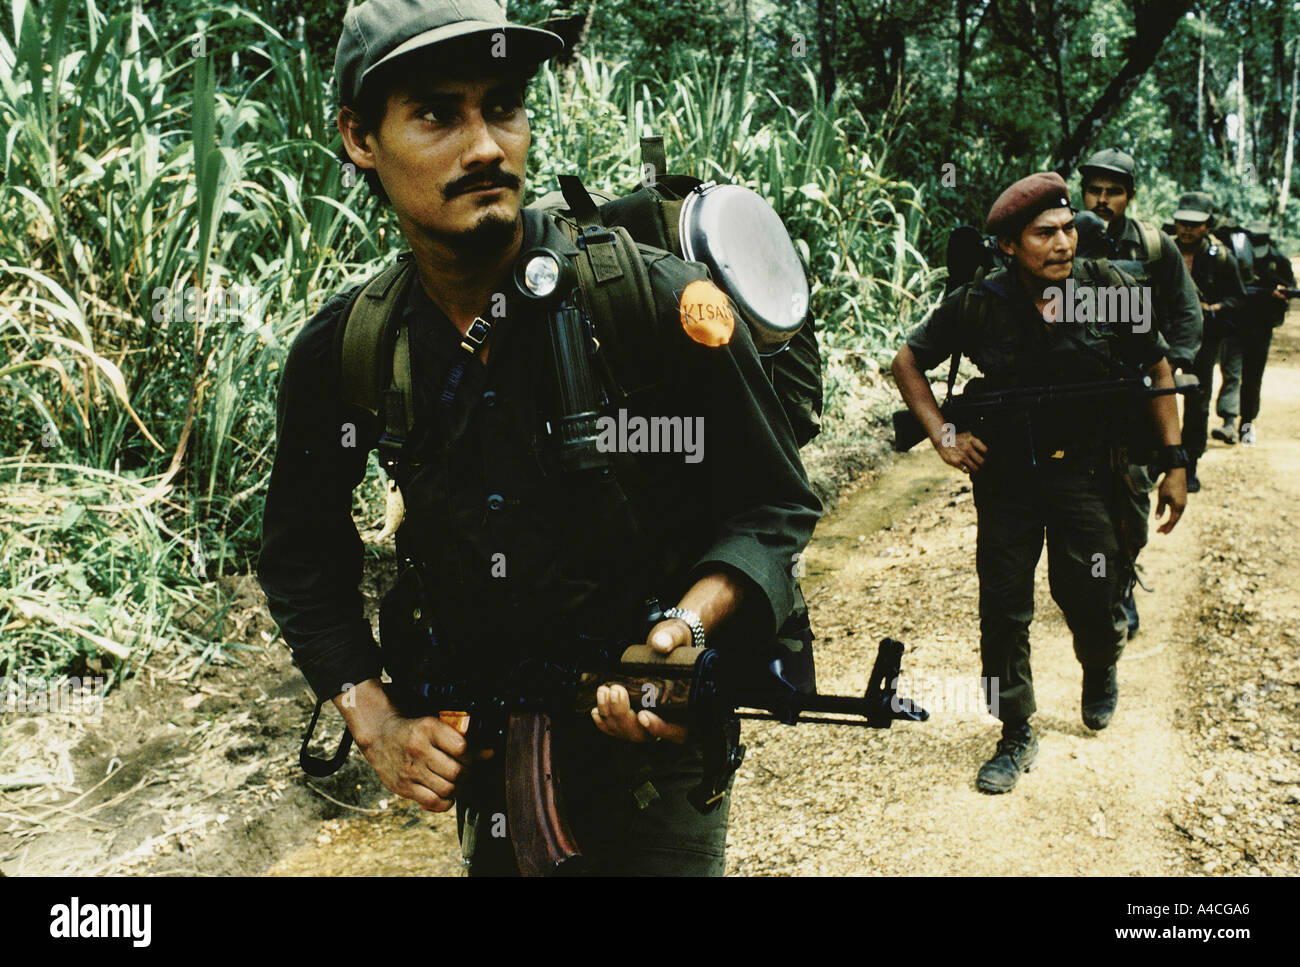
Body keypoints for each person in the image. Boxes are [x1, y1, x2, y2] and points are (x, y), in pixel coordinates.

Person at [256, 0, 821, 875]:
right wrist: (371, 718)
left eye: (504, 106)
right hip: (487, 749)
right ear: (360, 138)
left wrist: (683, 626)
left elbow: (773, 502)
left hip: (654, 747)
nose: (485, 145)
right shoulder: (348, 348)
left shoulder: (651, 301)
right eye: (439, 113)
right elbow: (301, 555)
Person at [891, 172, 1187, 795]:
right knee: (1003, 606)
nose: (1064, 244)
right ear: (1008, 246)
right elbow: (907, 362)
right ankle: (1015, 730)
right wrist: (945, 436)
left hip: (1089, 472)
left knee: (1094, 591)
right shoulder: (979, 302)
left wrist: (1174, 463)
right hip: (1008, 478)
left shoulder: (1105, 290)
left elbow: (1157, 366)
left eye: (1068, 229)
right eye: (1044, 234)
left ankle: (1100, 663)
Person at [1077, 148, 1202, 638]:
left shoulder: (1153, 246)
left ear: (1130, 196)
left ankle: (1122, 580)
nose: (1102, 200)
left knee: (1130, 494)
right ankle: (1093, 586)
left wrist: (1176, 363)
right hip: (1076, 398)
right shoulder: (1062, 239)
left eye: (1113, 192)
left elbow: (1185, 309)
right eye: (1094, 190)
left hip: (1137, 396)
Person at [1172, 191, 1248, 489]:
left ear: (1207, 225)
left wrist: (1213, 308)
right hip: (1164, 336)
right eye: (1182, 222)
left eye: (1195, 224)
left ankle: (1189, 463)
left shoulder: (1222, 257)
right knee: (1155, 397)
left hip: (1203, 340)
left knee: (1197, 402)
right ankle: (1158, 460)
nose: (1187, 229)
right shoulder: (1162, 250)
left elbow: (1239, 298)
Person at [1230, 220, 1296, 446]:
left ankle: (1246, 423)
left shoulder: (1278, 261)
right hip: (1232, 323)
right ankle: (1228, 420)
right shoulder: (1235, 255)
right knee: (1230, 374)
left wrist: (1279, 295)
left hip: (1260, 327)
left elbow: (1288, 290)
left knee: (1252, 379)